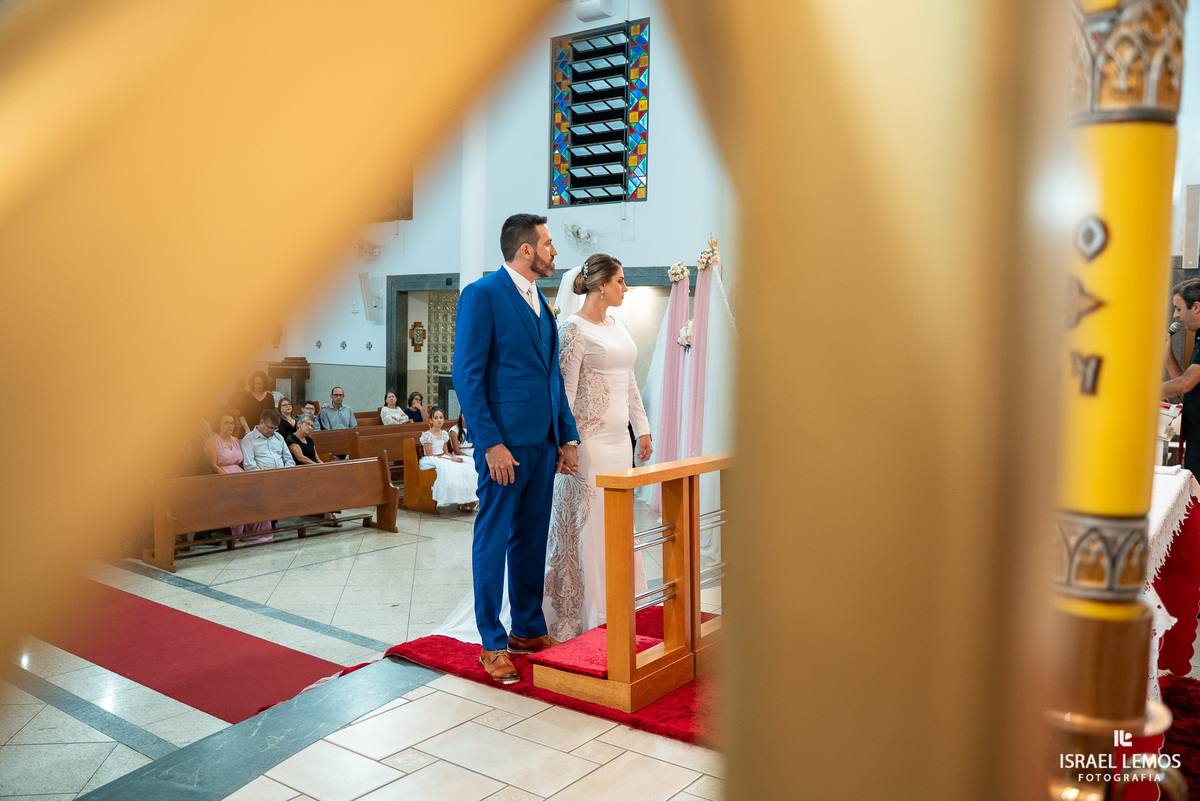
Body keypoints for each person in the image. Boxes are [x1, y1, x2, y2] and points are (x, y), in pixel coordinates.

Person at [449, 212, 580, 685]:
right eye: (548, 243)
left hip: (543, 444)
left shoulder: (541, 304)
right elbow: (467, 375)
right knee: (493, 537)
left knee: (531, 538)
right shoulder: (482, 295)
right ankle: (491, 642)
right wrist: (491, 444)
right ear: (526, 249)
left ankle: (527, 628)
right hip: (504, 447)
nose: (553, 251)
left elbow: (553, 378)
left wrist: (565, 435)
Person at [543, 253, 652, 640]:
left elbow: (631, 382)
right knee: (589, 523)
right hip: (588, 442)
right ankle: (583, 611)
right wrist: (566, 443)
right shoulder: (572, 329)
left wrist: (643, 429)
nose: (625, 288)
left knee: (619, 520)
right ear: (601, 285)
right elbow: (564, 393)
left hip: (619, 442)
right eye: (621, 281)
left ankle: (622, 600)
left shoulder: (617, 324)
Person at [205, 411, 272, 542]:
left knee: (258, 495)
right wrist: (228, 479)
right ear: (218, 424)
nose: (230, 426)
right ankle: (237, 533)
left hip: (238, 474)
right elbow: (213, 465)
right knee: (238, 498)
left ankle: (257, 533)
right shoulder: (212, 441)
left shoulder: (235, 440)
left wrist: (256, 464)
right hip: (222, 477)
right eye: (226, 423)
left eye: (232, 423)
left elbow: (242, 460)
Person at [1163, 278, 1200, 475]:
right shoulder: (1198, 337)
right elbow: (1187, 386)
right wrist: (1167, 353)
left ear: (1196, 307)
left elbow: (1185, 384)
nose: (1176, 315)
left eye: (1178, 309)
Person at [419, 407, 479, 511]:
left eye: (441, 417)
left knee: (465, 468)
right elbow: (430, 455)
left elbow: (446, 452)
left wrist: (453, 458)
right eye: (436, 418)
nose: (439, 420)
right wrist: (450, 460)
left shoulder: (444, 434)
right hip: (431, 460)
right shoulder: (427, 435)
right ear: (431, 420)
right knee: (449, 470)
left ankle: (466, 500)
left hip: (443, 456)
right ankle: (452, 499)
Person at [287, 414, 341, 527]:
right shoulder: (291, 438)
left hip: (314, 469)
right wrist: (316, 466)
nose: (310, 427)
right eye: (308, 424)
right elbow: (301, 458)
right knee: (326, 481)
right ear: (299, 424)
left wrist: (323, 466)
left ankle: (328, 513)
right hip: (301, 471)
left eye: (312, 426)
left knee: (333, 478)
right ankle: (328, 514)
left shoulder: (309, 440)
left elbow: (317, 458)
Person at [237, 371, 276, 436]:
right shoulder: (246, 396)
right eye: (255, 383)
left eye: (260, 383)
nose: (257, 386)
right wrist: (247, 430)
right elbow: (242, 416)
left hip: (264, 430)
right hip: (248, 430)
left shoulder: (269, 397)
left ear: (264, 383)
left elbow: (271, 415)